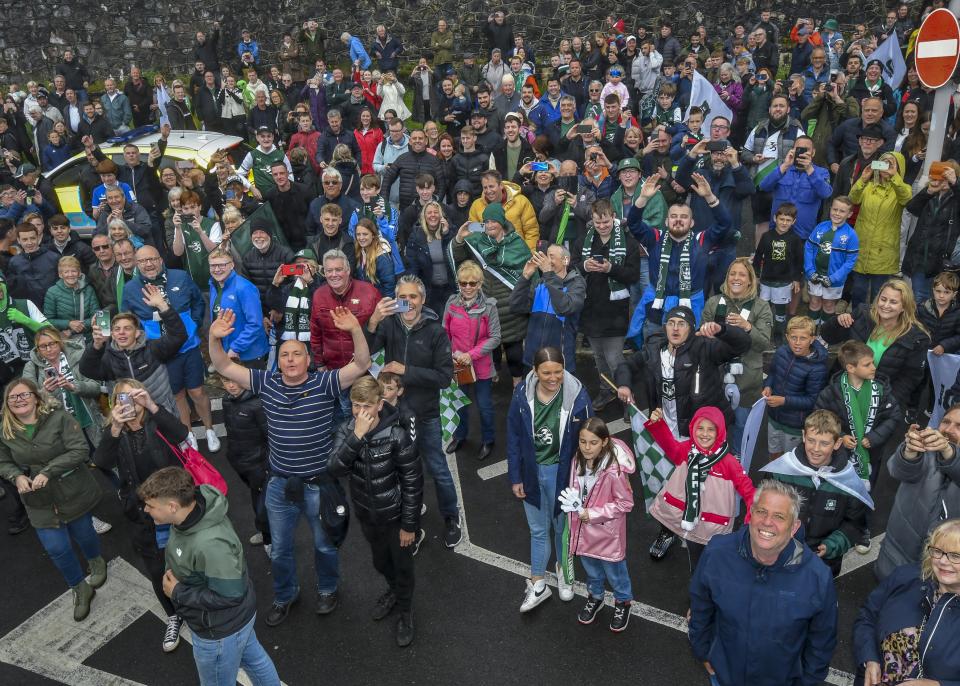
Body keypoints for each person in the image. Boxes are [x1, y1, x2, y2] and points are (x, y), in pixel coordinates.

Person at [209, 304, 370, 626]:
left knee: (324, 547)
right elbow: (223, 365)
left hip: (318, 484)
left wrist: (354, 330)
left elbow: (363, 364)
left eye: (297, 354)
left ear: (308, 361)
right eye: (285, 355)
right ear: (277, 361)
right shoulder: (266, 382)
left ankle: (328, 589)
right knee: (280, 550)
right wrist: (214, 338)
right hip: (279, 484)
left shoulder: (324, 384)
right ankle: (285, 596)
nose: (291, 360)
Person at [138, 467, 281, 686]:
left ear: (172, 506)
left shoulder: (210, 544)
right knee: (255, 661)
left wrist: (178, 592)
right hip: (233, 624)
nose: (146, 510)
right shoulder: (188, 515)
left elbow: (230, 595)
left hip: (219, 632)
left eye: (150, 506)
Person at [688, 480, 838, 686]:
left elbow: (821, 642)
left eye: (779, 516)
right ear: (751, 514)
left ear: (794, 527)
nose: (767, 522)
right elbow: (700, 604)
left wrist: (808, 682)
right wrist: (704, 651)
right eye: (761, 512)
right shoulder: (717, 553)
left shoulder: (817, 577)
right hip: (724, 676)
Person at [92, 380, 192, 651]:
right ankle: (173, 615)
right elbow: (101, 462)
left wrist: (152, 405)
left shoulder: (156, 422)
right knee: (158, 569)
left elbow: (181, 432)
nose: (129, 403)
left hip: (175, 511)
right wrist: (113, 427)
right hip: (142, 516)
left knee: (190, 562)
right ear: (114, 403)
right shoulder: (115, 432)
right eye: (121, 398)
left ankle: (198, 609)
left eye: (133, 396)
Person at [365, 275, 460, 547]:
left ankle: (452, 518)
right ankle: (412, 524)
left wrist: (407, 371)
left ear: (423, 299)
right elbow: (366, 353)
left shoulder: (435, 331)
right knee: (402, 471)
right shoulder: (389, 324)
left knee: (438, 469)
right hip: (394, 416)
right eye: (403, 297)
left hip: (425, 414)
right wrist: (372, 321)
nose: (408, 302)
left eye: (413, 297)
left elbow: (444, 377)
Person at [328, 376, 423, 647]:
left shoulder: (397, 435)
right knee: (380, 563)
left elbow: (413, 483)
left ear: (379, 404)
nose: (360, 412)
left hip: (395, 519)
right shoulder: (348, 430)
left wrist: (409, 525)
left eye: (366, 406)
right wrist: (356, 437)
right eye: (355, 405)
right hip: (367, 515)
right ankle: (394, 591)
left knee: (403, 567)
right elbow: (334, 468)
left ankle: (406, 611)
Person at [0, 378, 105, 620]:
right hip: (38, 500)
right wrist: (15, 476)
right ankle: (80, 588)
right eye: (13, 397)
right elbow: (3, 461)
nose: (19, 400)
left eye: (24, 394)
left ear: (36, 397)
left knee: (84, 533)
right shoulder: (4, 429)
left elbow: (80, 449)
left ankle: (96, 560)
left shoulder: (59, 417)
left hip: (72, 490)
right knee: (56, 548)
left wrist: (48, 471)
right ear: (7, 403)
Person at [508, 346, 591, 612]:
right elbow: (513, 437)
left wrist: (583, 480)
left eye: (558, 371)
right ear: (535, 371)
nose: (553, 377)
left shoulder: (579, 396)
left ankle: (564, 573)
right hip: (532, 473)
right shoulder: (521, 394)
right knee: (538, 530)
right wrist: (516, 475)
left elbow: (588, 443)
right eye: (546, 373)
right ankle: (538, 582)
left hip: (564, 475)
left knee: (562, 529)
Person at [122, 246, 217, 450]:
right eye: (143, 261)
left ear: (160, 260)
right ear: (136, 264)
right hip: (161, 352)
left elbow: (198, 302)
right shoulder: (130, 288)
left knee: (197, 391)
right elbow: (127, 317)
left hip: (188, 347)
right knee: (177, 394)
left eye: (153, 259)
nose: (148, 264)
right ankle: (188, 434)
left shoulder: (180, 277)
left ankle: (210, 429)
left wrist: (194, 323)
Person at [761, 409, 873, 576]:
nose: (816, 449)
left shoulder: (848, 481)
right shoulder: (782, 470)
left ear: (837, 443)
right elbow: (762, 510)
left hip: (823, 561)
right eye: (811, 440)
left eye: (824, 443)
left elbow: (855, 524)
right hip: (781, 551)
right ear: (803, 436)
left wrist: (833, 545)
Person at [644, 405, 755, 567]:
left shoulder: (729, 463)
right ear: (693, 428)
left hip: (711, 526)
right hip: (683, 519)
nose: (704, 434)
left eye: (711, 429)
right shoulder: (687, 449)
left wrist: (752, 517)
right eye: (700, 428)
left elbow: (748, 491)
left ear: (720, 432)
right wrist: (658, 425)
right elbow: (671, 448)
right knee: (694, 556)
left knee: (708, 560)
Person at [853, 519, 960, 686]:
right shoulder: (905, 576)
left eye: (955, 556)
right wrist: (869, 658)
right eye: (937, 551)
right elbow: (867, 617)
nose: (943, 561)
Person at [561, 417, 635, 631]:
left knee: (615, 572)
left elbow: (625, 504)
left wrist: (592, 514)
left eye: (593, 442)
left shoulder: (615, 471)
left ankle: (623, 601)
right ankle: (596, 596)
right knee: (591, 569)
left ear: (604, 442)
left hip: (607, 534)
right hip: (583, 529)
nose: (586, 447)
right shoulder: (577, 459)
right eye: (583, 441)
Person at [821, 278, 931, 419]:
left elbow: (910, 378)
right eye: (883, 299)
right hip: (840, 392)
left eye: (893, 302)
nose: (885, 305)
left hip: (876, 403)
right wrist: (837, 321)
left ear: (904, 306)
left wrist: (886, 402)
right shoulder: (862, 314)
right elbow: (828, 337)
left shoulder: (917, 338)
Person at [450, 203, 531, 387]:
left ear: (502, 221)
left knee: (514, 350)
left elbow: (528, 273)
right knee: (489, 345)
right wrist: (459, 239)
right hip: (486, 306)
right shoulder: (478, 240)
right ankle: (492, 374)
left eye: (494, 220)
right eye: (486, 221)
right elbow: (459, 258)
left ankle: (517, 382)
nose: (490, 224)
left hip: (511, 307)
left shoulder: (516, 243)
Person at [875, 406, 960, 580]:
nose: (949, 430)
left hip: (940, 570)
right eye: (946, 421)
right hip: (894, 557)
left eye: (959, 426)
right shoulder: (927, 448)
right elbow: (897, 471)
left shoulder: (945, 450)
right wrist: (909, 452)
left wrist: (950, 453)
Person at [573, 199, 641, 411]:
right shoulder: (583, 240)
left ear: (613, 217)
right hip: (591, 307)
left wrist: (611, 268)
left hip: (615, 310)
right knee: (599, 357)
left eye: (606, 221)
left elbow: (632, 275)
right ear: (592, 221)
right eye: (597, 222)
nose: (602, 226)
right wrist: (584, 265)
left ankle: (627, 396)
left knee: (615, 358)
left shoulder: (628, 243)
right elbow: (572, 267)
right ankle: (606, 389)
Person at [701, 259, 773, 451]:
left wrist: (747, 326)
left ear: (750, 280)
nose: (736, 278)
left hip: (746, 380)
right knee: (714, 425)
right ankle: (716, 463)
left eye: (742, 274)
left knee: (741, 426)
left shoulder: (761, 306)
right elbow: (702, 342)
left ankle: (738, 463)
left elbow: (764, 344)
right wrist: (706, 332)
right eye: (732, 274)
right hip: (715, 378)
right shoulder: (714, 302)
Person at [80, 285, 185, 417]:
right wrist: (96, 345)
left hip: (162, 414)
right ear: (112, 333)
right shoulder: (108, 358)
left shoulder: (153, 348)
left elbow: (178, 336)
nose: (122, 332)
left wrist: (163, 306)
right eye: (117, 329)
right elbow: (86, 369)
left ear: (137, 333)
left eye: (127, 328)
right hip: (130, 419)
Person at [815, 341, 902, 491]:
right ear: (850, 368)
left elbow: (893, 417)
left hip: (872, 454)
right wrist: (841, 436)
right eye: (867, 365)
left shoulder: (881, 391)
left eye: (873, 363)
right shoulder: (831, 393)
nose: (874, 367)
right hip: (841, 454)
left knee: (865, 495)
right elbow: (820, 419)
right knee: (839, 491)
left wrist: (875, 437)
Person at [308, 249, 379, 416]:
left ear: (348, 270)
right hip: (334, 370)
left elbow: (384, 330)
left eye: (338, 269)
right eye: (329, 270)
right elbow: (315, 332)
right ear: (323, 273)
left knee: (363, 414)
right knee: (340, 414)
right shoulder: (319, 295)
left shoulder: (369, 292)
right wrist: (319, 363)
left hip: (365, 371)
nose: (334, 275)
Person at [442, 261, 501, 461]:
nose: (467, 287)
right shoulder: (451, 304)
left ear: (480, 283)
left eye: (472, 283)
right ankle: (460, 436)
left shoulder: (489, 306)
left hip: (481, 366)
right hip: (459, 365)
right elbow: (444, 333)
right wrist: (451, 355)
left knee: (484, 406)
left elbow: (495, 337)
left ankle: (488, 440)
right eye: (463, 283)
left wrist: (471, 355)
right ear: (458, 283)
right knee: (460, 404)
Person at [23, 326, 104, 451]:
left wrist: (72, 386)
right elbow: (26, 400)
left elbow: (96, 387)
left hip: (88, 419)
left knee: (99, 456)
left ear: (59, 342)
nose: (49, 349)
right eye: (43, 346)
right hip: (59, 426)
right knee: (76, 460)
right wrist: (44, 392)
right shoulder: (31, 367)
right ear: (37, 348)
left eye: (52, 344)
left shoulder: (79, 355)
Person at [848, 152, 912, 307]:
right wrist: (862, 179)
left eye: (891, 163)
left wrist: (894, 176)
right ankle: (857, 325)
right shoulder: (869, 186)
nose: (886, 167)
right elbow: (852, 199)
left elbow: (907, 199)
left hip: (884, 252)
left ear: (899, 167)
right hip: (862, 248)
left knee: (880, 296)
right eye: (884, 162)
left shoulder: (902, 188)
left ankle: (877, 327)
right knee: (858, 292)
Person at [510, 244, 586, 373]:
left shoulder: (576, 284)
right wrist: (525, 277)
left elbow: (565, 307)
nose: (547, 261)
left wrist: (549, 275)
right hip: (532, 360)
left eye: (551, 256)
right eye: (546, 256)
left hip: (559, 362)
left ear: (566, 260)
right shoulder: (540, 283)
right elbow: (516, 306)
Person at [218, 373, 271, 553]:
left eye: (234, 379)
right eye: (226, 381)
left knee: (263, 504)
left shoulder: (258, 404)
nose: (231, 385)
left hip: (259, 464)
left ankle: (270, 541)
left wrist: (267, 465)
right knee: (256, 497)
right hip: (240, 463)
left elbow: (270, 437)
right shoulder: (227, 401)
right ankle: (265, 532)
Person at [804, 197, 859, 332]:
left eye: (842, 211)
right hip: (815, 275)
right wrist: (810, 271)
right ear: (830, 209)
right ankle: (811, 333)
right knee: (814, 302)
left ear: (849, 214)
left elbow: (850, 261)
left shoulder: (851, 235)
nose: (837, 213)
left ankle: (824, 336)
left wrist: (834, 278)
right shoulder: (820, 227)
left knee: (829, 305)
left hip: (834, 280)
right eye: (835, 209)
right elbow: (808, 248)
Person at [207, 249, 269, 366]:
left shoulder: (244, 288)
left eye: (222, 265)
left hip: (249, 354)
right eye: (213, 265)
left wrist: (236, 348)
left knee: (250, 385)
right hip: (226, 349)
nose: (216, 269)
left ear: (232, 265)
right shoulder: (214, 286)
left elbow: (255, 324)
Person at [753, 203, 804, 343]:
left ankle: (778, 333)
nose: (784, 223)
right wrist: (756, 275)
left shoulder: (795, 240)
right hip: (766, 280)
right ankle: (764, 332)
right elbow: (758, 257)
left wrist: (796, 279)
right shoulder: (766, 236)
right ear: (775, 219)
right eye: (782, 219)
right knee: (764, 308)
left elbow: (799, 261)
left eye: (788, 220)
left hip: (784, 281)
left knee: (781, 311)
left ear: (793, 222)